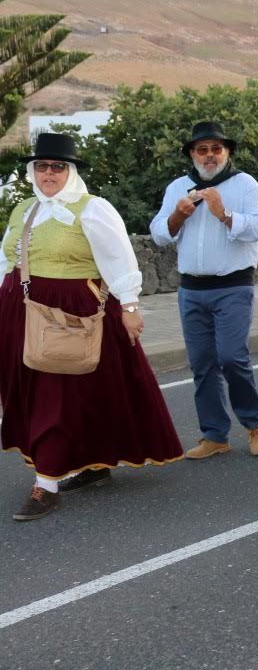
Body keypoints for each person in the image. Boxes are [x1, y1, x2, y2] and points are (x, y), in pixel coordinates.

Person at [0, 133, 183, 520]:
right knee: (70, 392)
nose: (49, 173)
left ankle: (46, 484)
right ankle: (94, 463)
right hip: (21, 309)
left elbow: (119, 257)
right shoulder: (23, 210)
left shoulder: (92, 209)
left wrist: (130, 307)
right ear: (33, 171)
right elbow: (7, 261)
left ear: (71, 171)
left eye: (58, 166)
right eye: (42, 166)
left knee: (56, 395)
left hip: (70, 314)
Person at [149, 121, 258, 460]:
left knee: (232, 358)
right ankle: (215, 435)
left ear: (226, 151)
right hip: (191, 290)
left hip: (233, 285)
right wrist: (176, 217)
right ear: (192, 154)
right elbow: (159, 233)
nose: (210, 155)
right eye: (202, 149)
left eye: (216, 148)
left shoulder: (244, 184)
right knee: (202, 363)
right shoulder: (178, 187)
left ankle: (253, 425)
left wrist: (224, 213)